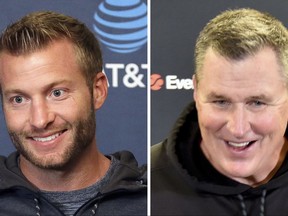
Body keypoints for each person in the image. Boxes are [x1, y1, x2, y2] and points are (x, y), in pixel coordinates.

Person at [0, 11, 147, 215]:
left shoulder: (157, 200)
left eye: (57, 93)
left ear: (97, 91)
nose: (40, 120)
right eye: (19, 99)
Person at [151, 8, 288, 216]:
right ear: (196, 91)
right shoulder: (145, 189)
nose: (238, 129)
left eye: (257, 103)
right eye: (221, 101)